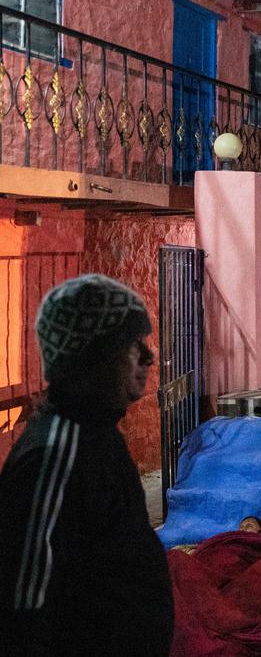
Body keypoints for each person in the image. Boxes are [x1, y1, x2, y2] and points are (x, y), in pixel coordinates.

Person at [0, 274, 172, 655]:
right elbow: (23, 608)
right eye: (133, 344)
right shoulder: (55, 456)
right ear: (97, 356)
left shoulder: (94, 436)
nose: (149, 356)